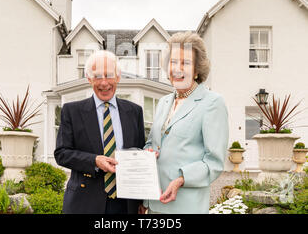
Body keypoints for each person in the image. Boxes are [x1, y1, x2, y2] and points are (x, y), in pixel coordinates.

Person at [139, 31, 229, 214]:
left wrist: (181, 179)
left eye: (185, 63)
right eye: (173, 62)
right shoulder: (164, 102)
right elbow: (152, 143)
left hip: (186, 205)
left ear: (197, 70)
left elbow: (214, 162)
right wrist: (148, 153)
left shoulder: (212, 103)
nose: (177, 69)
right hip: (155, 203)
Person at [54, 50, 145, 214]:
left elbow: (139, 153)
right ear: (89, 79)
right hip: (84, 203)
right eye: (97, 76)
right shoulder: (72, 111)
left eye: (109, 75)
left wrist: (142, 201)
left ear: (118, 77)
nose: (104, 83)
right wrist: (94, 161)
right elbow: (61, 153)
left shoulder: (135, 112)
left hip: (126, 205)